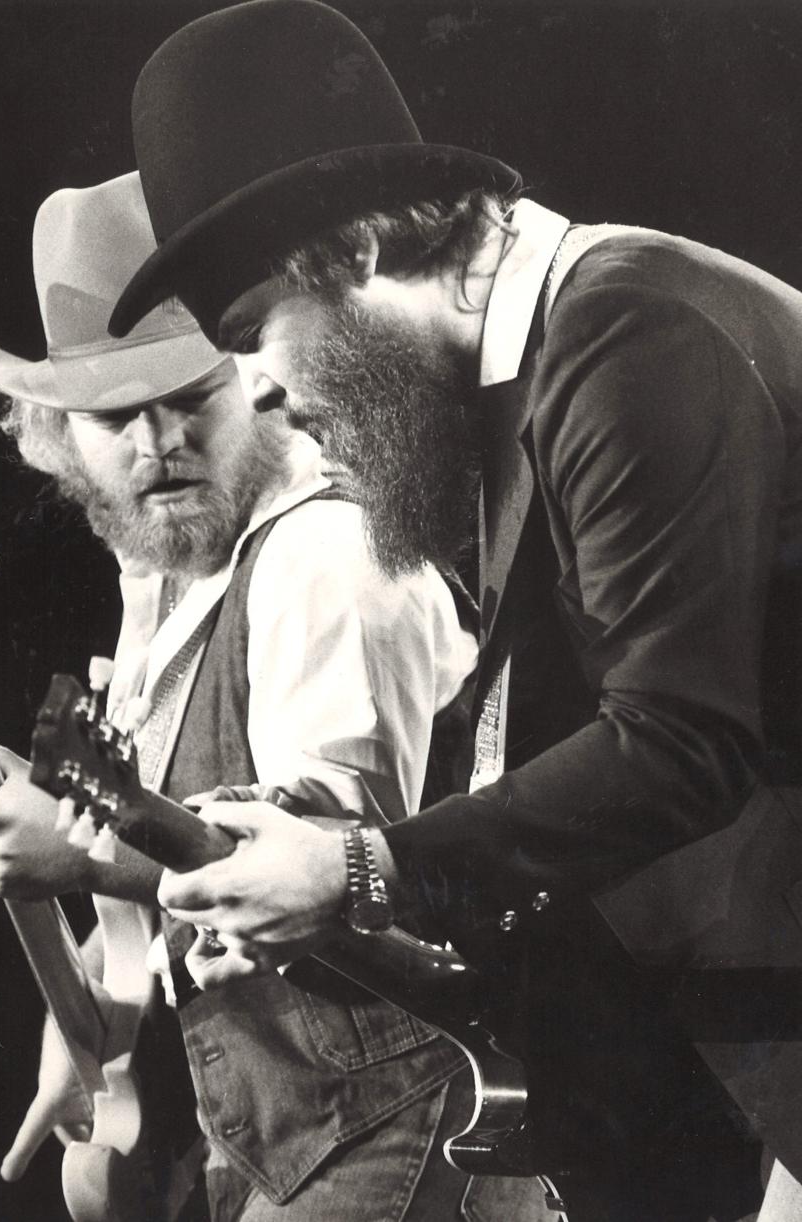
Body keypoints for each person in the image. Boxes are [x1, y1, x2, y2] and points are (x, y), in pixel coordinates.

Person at [105, 3, 802, 1220]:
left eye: (253, 334)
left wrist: (364, 866)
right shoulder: (523, 380)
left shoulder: (629, 335)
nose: (257, 390)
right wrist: (290, 835)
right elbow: (569, 760)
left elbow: (683, 742)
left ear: (358, 250)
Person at [0, 171, 552, 1221]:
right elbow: (152, 851)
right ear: (54, 435)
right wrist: (81, 1037)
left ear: (257, 380)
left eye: (189, 397)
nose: (157, 442)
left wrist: (74, 850)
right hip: (285, 1138)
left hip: (398, 1127)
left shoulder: (327, 554)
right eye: (115, 413)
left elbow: (342, 868)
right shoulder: (169, 569)